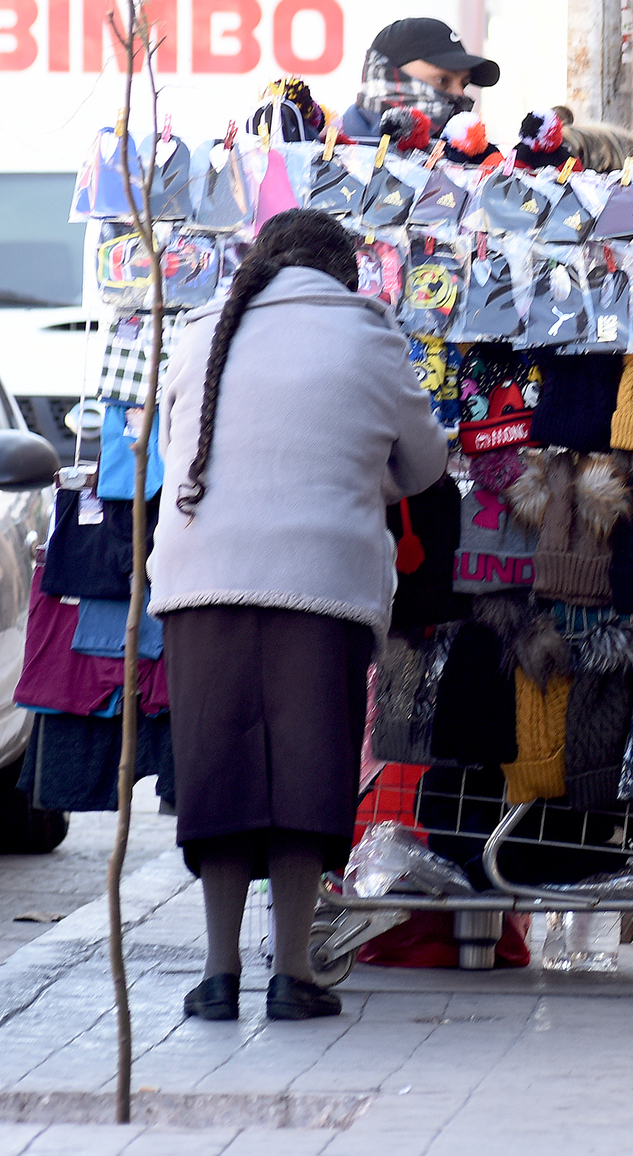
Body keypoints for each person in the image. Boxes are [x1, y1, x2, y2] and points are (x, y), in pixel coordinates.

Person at [149, 209, 448, 1022]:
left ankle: (216, 975)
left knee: (220, 776)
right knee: (305, 779)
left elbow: (178, 447)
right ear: (343, 271)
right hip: (319, 584)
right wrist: (355, 479)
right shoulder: (369, 332)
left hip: (199, 580)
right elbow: (424, 464)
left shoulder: (199, 328)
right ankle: (293, 975)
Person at [338, 17, 500, 144]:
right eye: (442, 80)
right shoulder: (325, 157)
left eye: (464, 84)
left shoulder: (468, 164)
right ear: (386, 78)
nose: (459, 94)